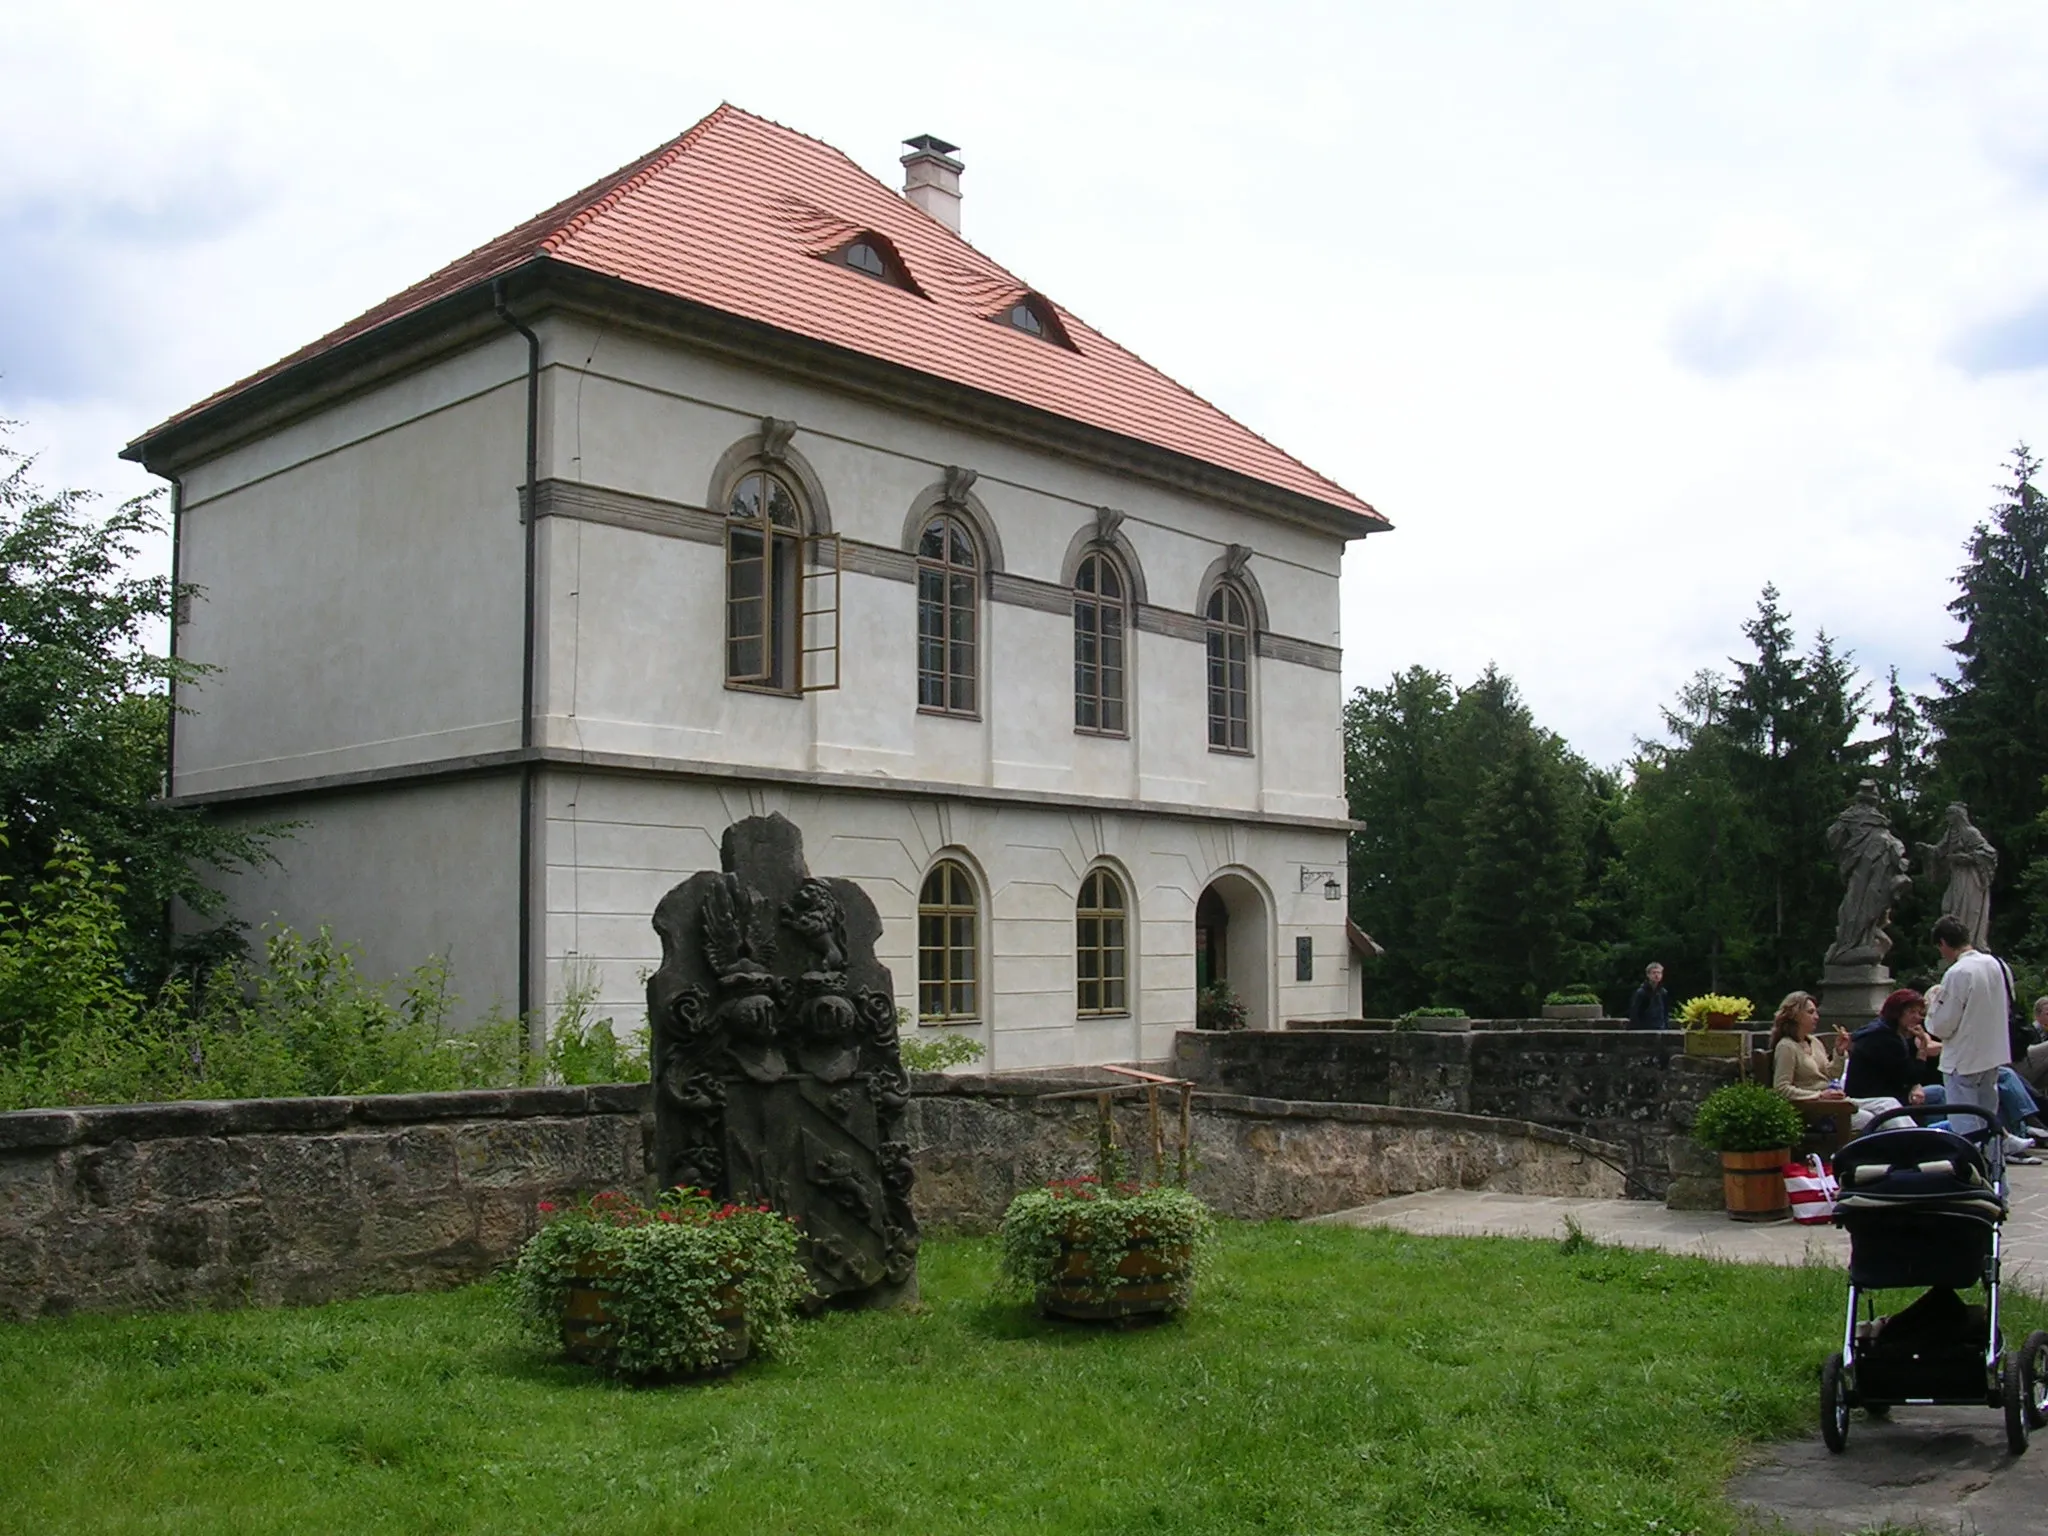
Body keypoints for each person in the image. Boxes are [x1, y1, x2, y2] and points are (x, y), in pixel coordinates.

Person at [1924, 913, 2019, 1153]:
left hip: (1963, 1059)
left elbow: (1943, 1026)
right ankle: (1998, 1178)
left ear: (1944, 943)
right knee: (1989, 1120)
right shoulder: (1998, 964)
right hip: (1992, 1055)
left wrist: (1932, 1007)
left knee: (1967, 1127)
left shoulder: (1958, 973)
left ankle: (1976, 1177)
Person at [1771, 991, 1901, 1130]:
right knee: (1870, 1119)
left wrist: (1839, 1052)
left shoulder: (1814, 1042)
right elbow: (1781, 1089)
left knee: (1889, 1104)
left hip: (1835, 1103)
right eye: (1810, 1012)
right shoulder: (1786, 1047)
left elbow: (1831, 1075)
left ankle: (1916, 1140)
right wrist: (1819, 1095)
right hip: (1816, 1109)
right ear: (1795, 1015)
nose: (1816, 1017)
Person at [1845, 989, 1944, 1111]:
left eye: (1919, 1013)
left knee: (1935, 1091)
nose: (1917, 1017)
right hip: (1873, 1098)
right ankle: (1927, 1130)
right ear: (1897, 1012)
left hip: (1889, 1092)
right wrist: (1923, 1046)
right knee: (1938, 1094)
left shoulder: (1889, 1031)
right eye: (1912, 1012)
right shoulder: (1884, 1038)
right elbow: (1911, 1077)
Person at [1627, 963, 1670, 1031]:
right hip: (1644, 1029)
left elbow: (1665, 1013)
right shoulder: (1641, 992)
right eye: (1654, 973)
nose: (1656, 975)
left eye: (1659, 973)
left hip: (1660, 1028)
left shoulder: (1663, 992)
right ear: (1648, 975)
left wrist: (1666, 1027)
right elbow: (1634, 1013)